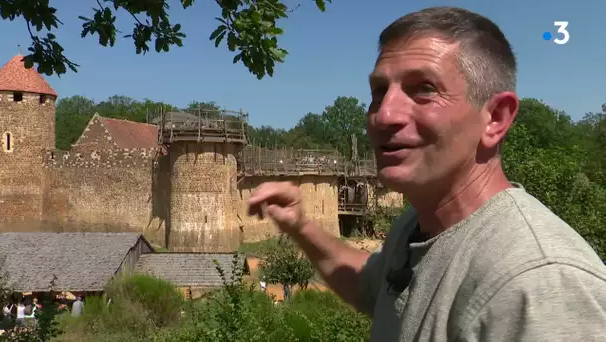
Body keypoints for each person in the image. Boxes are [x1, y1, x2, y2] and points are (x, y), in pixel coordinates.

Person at [248, 6, 606, 341]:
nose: (384, 114)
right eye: (379, 90)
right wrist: (300, 224)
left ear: (495, 118)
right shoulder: (417, 226)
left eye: (424, 89)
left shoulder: (539, 284)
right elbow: (371, 287)